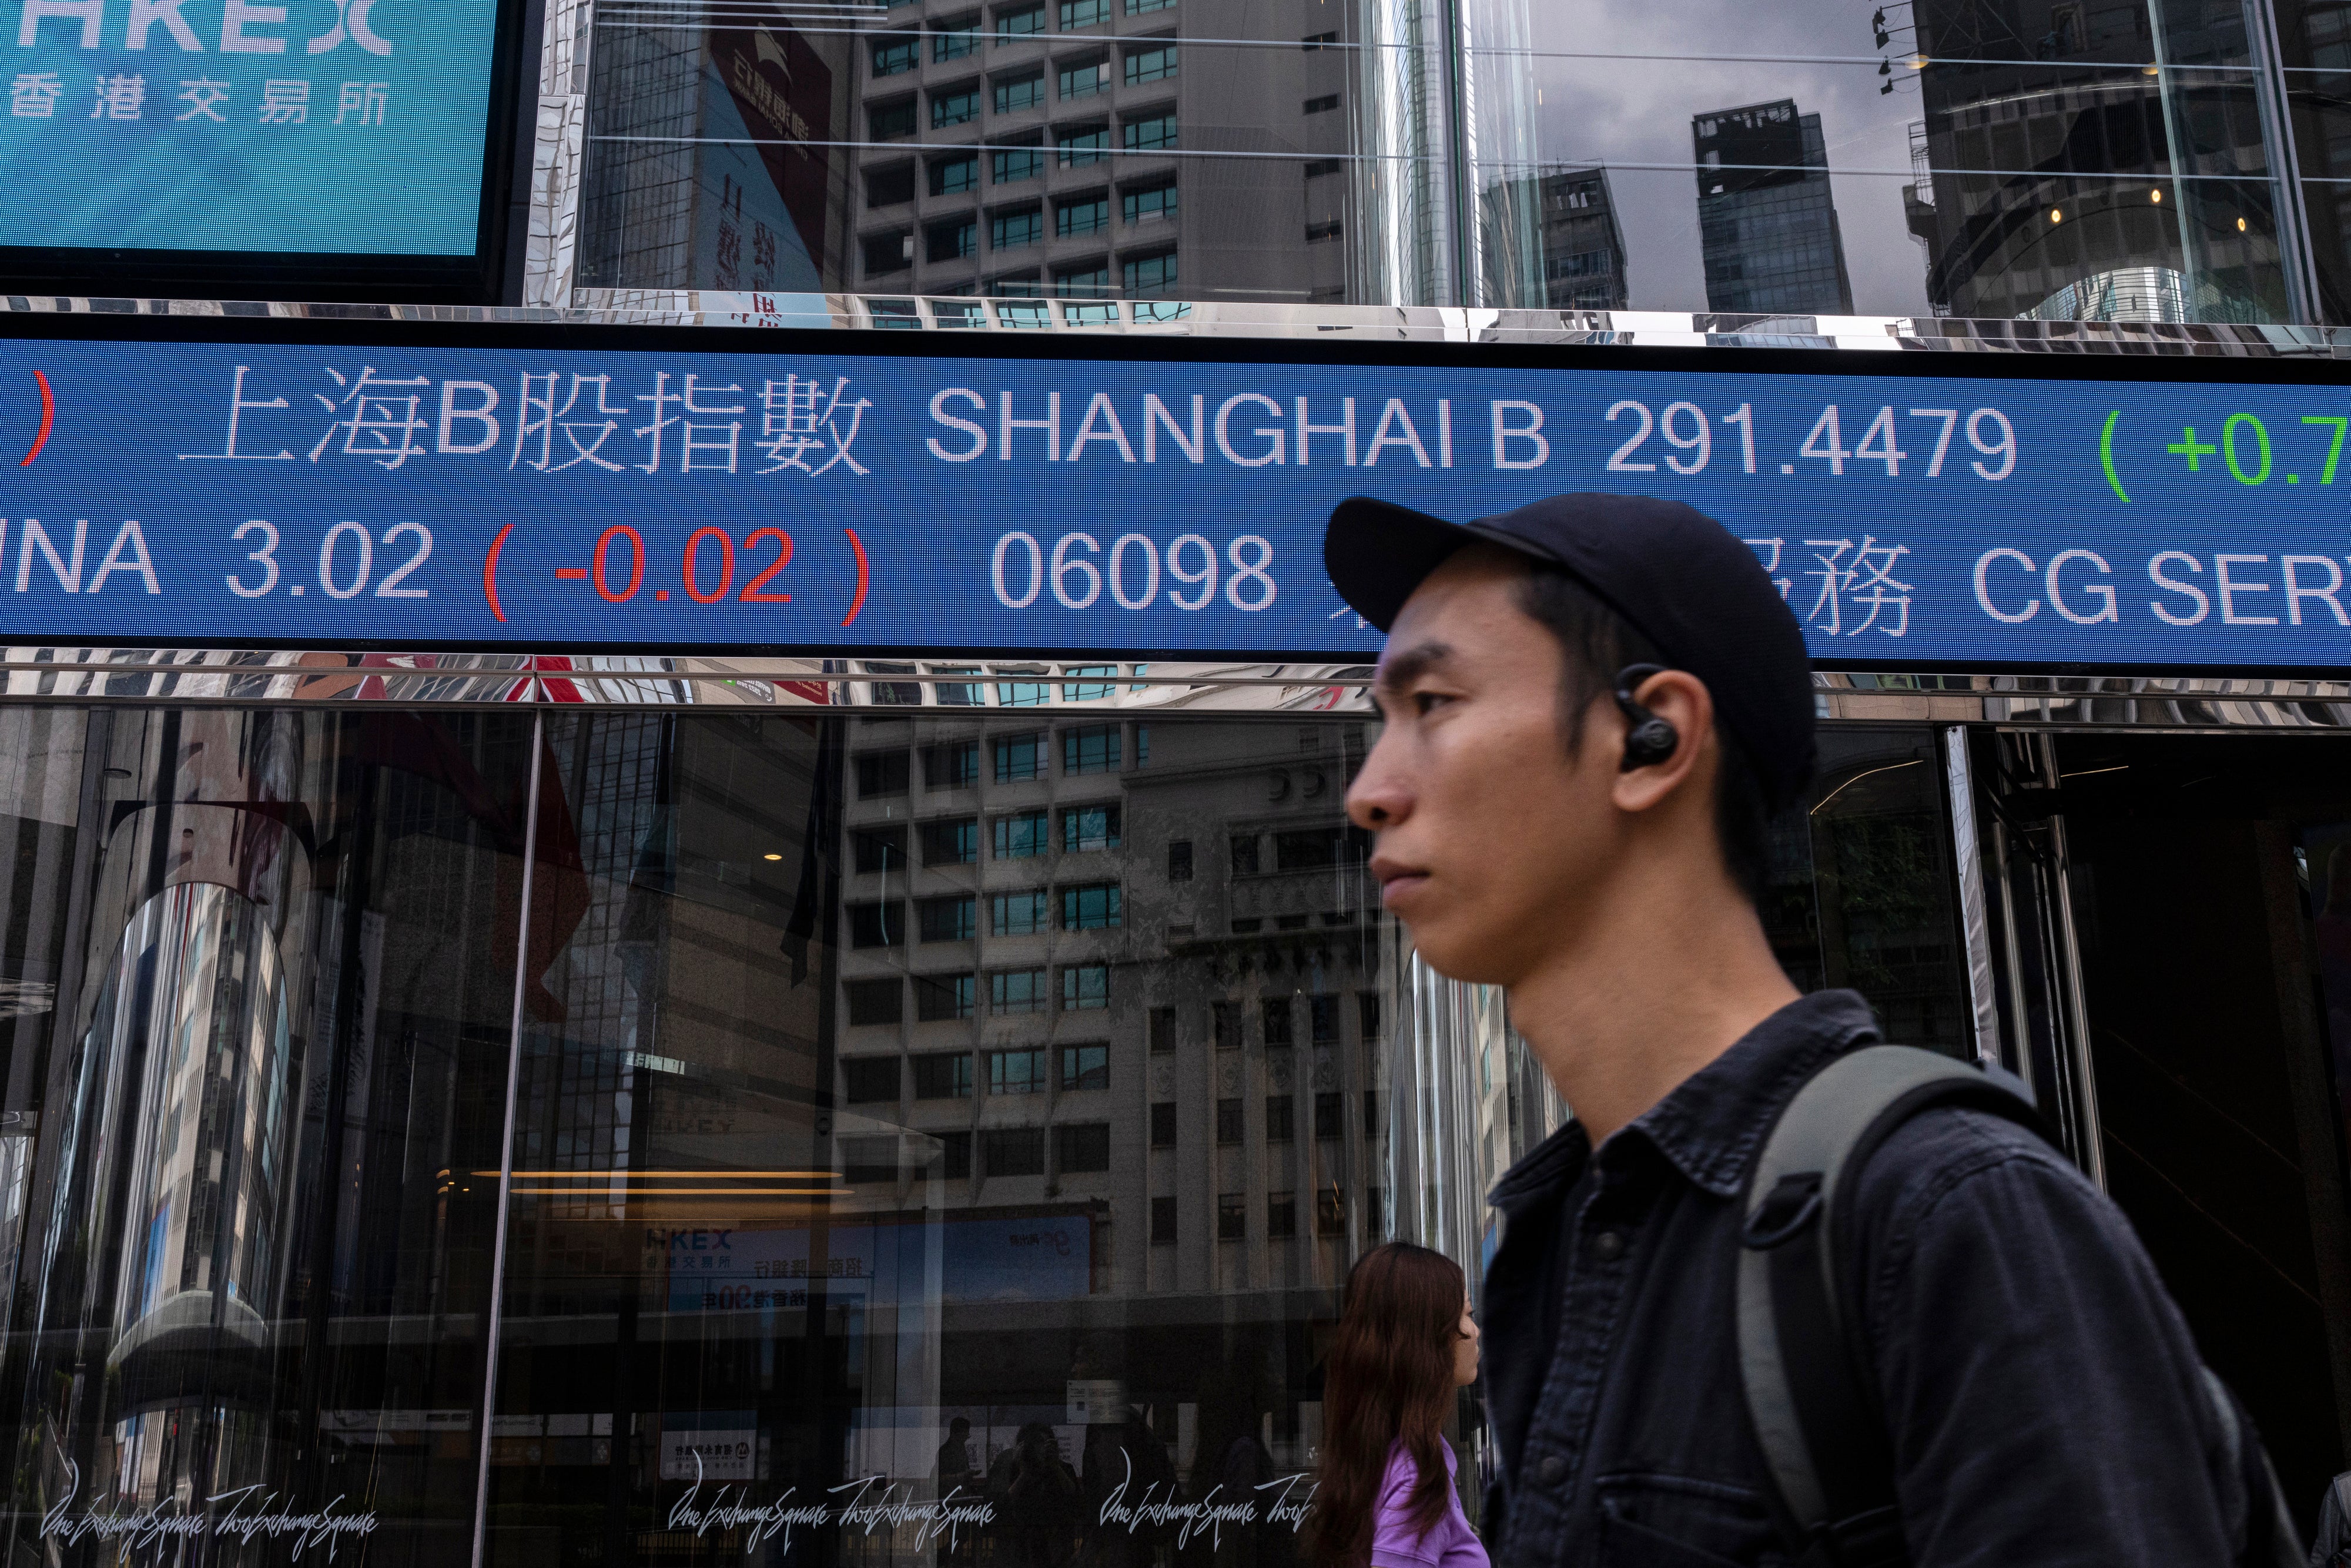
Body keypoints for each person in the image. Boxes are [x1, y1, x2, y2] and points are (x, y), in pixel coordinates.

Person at [1325, 491, 2260, 1562]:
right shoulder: (1551, 1252)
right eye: (1378, 723)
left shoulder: (1947, 1216)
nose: (1370, 791)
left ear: (1650, 737)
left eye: (1434, 702)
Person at [1308, 1242, 1486, 1568]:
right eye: (1467, 1314)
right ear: (1427, 1338)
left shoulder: (1379, 1457)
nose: (1475, 1331)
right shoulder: (1418, 1476)